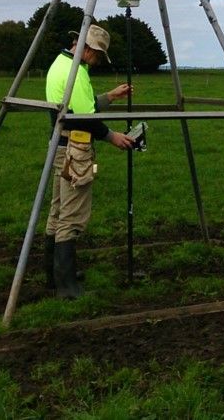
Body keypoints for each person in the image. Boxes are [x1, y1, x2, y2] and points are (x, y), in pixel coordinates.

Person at [43, 24, 134, 298]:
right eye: (97, 55)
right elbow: (85, 117)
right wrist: (112, 136)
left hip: (58, 146)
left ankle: (55, 275)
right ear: (87, 49)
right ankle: (68, 288)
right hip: (75, 150)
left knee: (57, 211)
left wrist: (111, 96)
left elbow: (81, 105)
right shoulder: (78, 73)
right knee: (72, 215)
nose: (96, 62)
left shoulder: (60, 64)